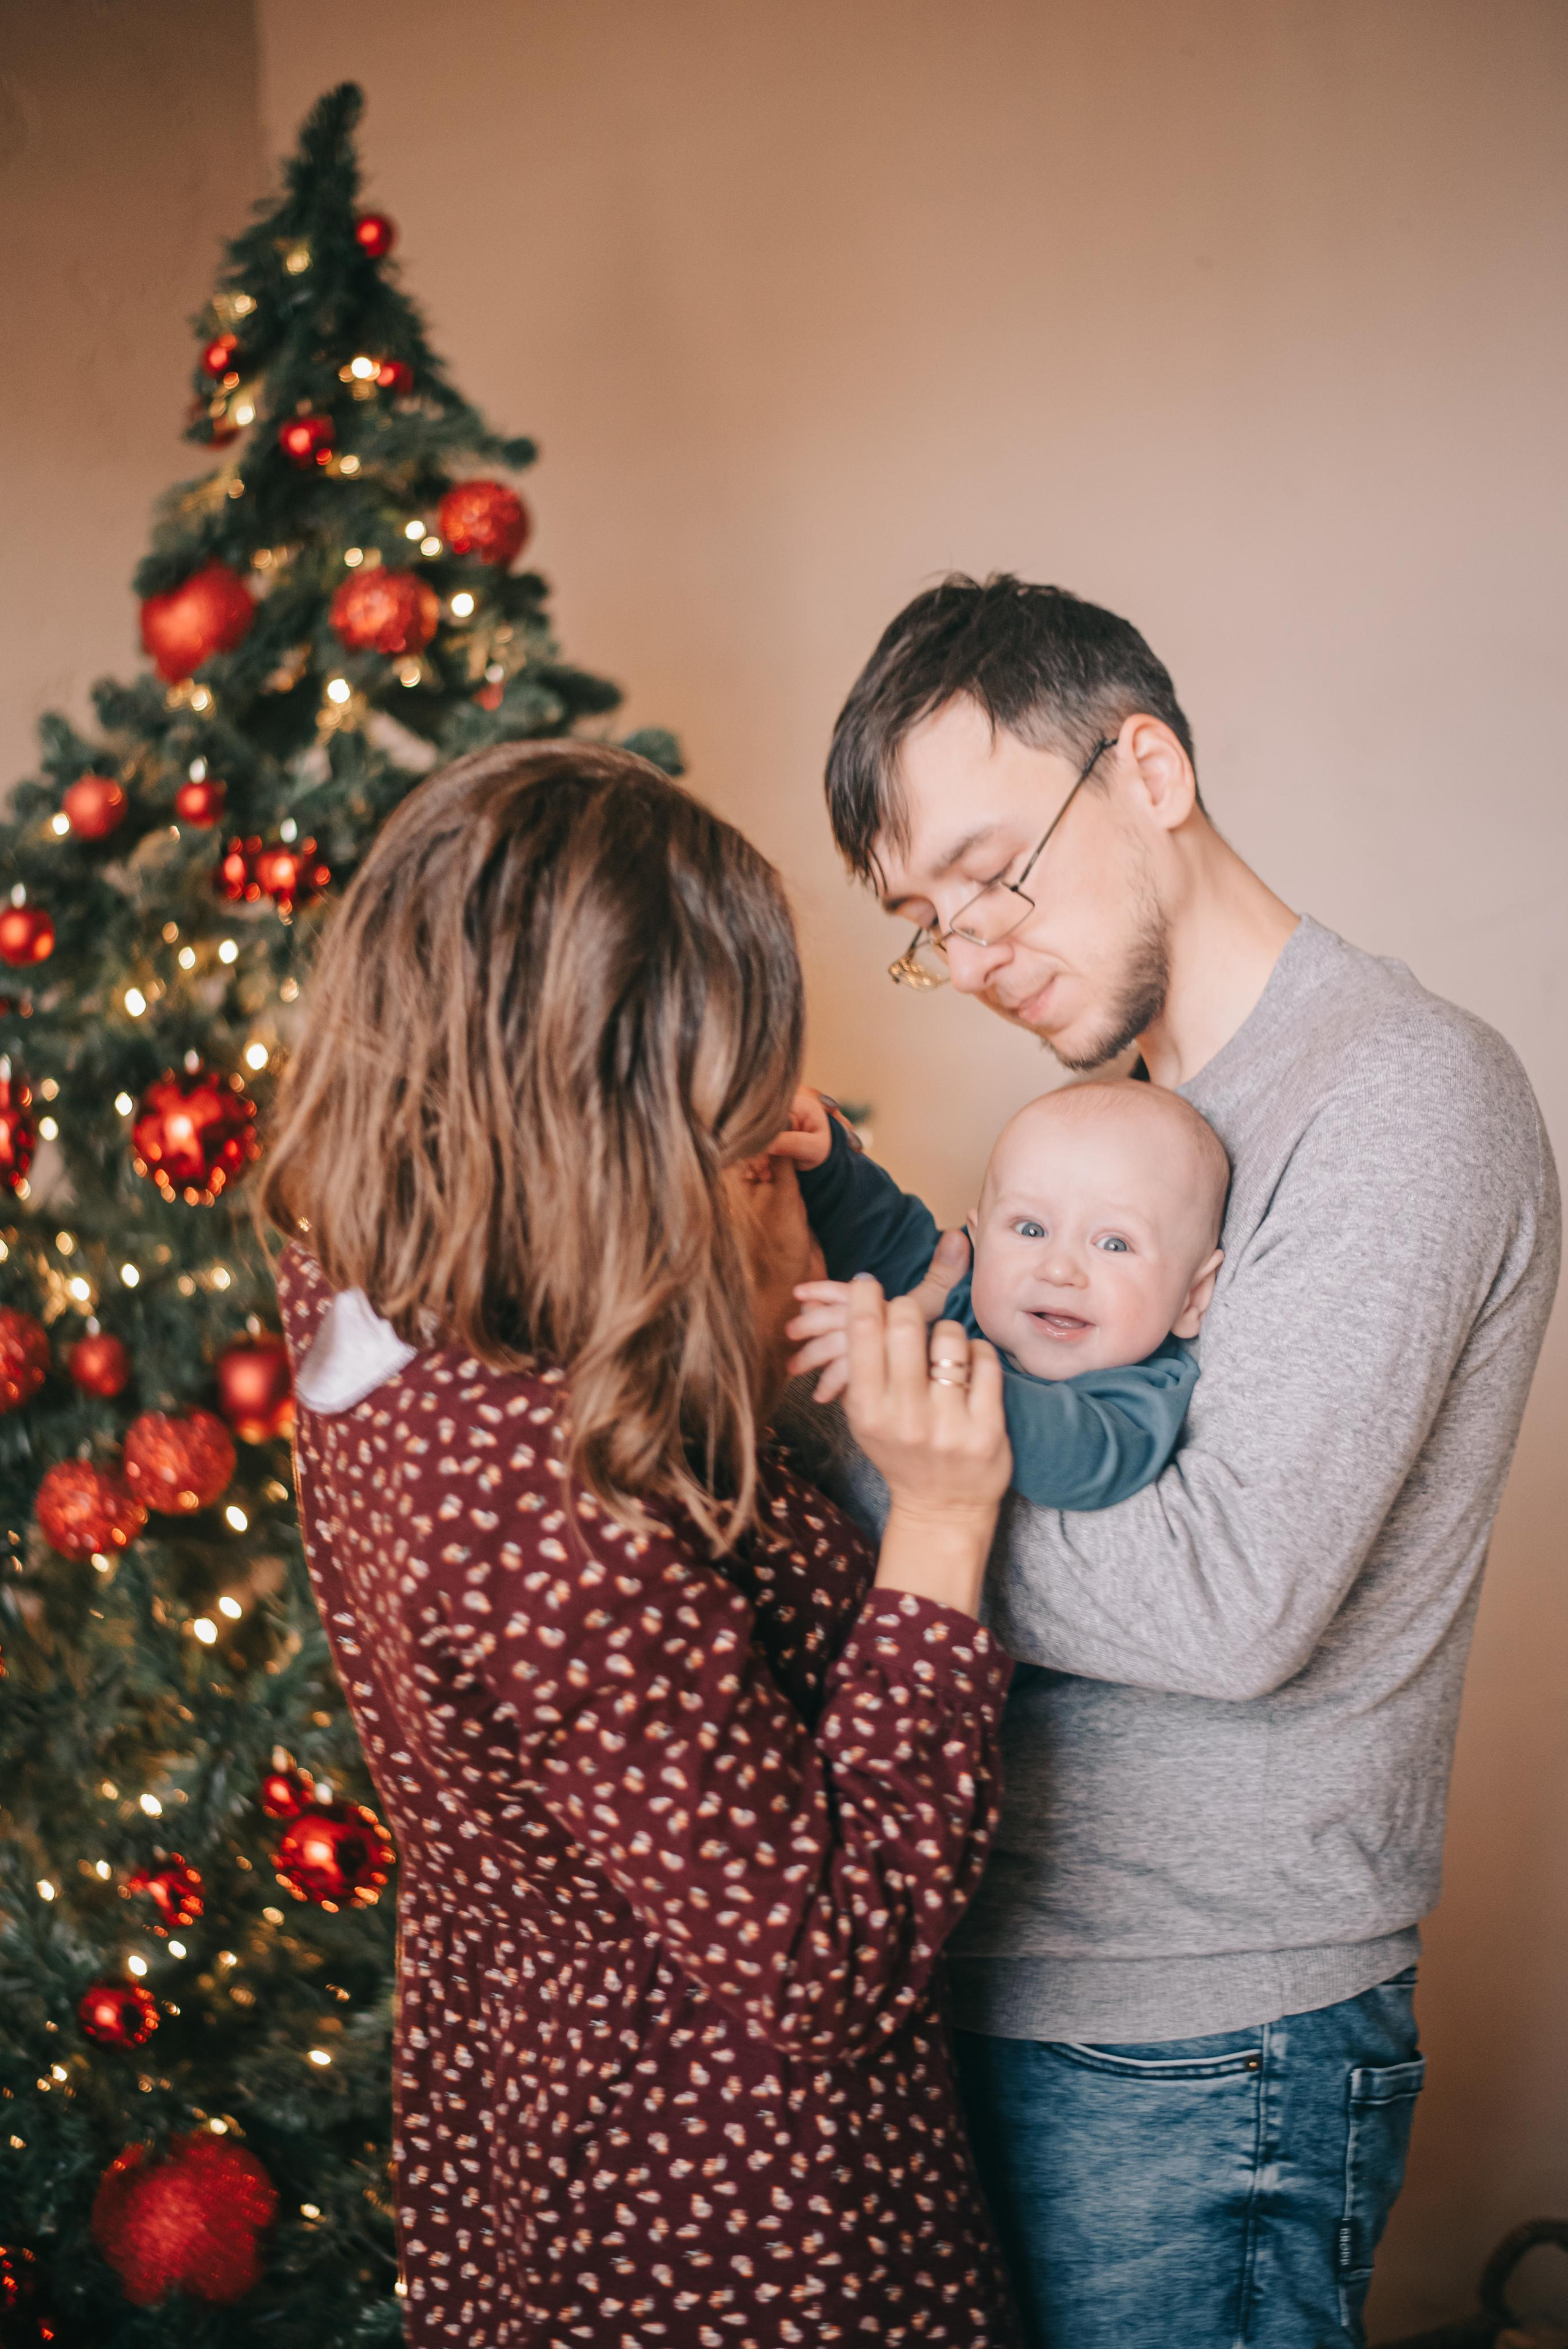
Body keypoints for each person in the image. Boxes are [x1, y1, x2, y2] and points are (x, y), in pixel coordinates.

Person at [782, 576, 1561, 2349]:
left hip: (1207, 2038)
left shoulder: (1402, 1095)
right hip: (998, 1969)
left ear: (1149, 767)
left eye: (993, 870)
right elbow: (958, 1330)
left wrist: (871, 1480)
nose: (969, 947)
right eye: (924, 918)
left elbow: (1229, 1603)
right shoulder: (1122, 1126)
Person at [262, 741, 1025, 2348]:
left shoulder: (357, 1287)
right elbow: (821, 1956)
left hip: (528, 2093)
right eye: (730, 1106)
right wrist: (944, 1525)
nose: (768, 1120)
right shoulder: (555, 1508)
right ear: (615, 1113)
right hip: (734, 2203)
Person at [778, 1077, 1227, 1508]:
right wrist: (829, 1167)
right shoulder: (968, 1302)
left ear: (1192, 1297)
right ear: (980, 1241)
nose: (1058, 1268)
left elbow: (1084, 1453)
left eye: (1115, 1243)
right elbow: (886, 1239)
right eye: (1031, 1229)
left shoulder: (1140, 1401)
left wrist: (921, 1367)